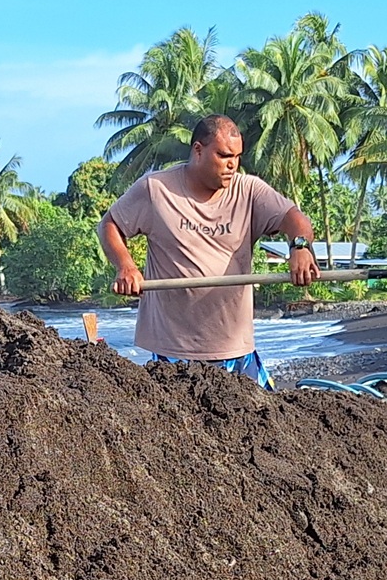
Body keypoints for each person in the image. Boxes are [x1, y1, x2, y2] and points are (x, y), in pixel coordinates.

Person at [101, 116, 319, 385]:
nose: (232, 165)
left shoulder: (248, 190)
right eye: (224, 155)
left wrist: (299, 247)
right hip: (174, 350)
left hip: (236, 348)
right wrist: (126, 266)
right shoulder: (156, 189)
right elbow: (109, 224)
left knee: (267, 420)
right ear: (198, 150)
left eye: (237, 157)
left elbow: (296, 219)